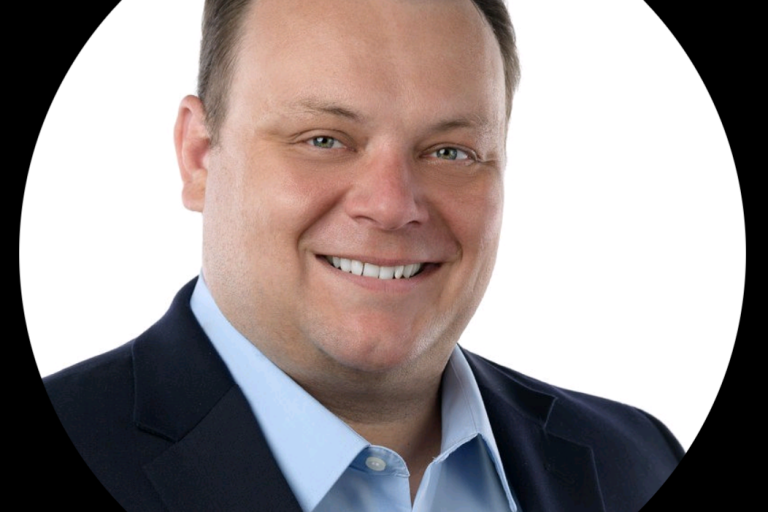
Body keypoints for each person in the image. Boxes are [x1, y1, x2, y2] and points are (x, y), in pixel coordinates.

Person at [43, 0, 683, 511]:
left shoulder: (638, 463)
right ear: (199, 155)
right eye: (324, 139)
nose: (390, 205)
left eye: (451, 151)